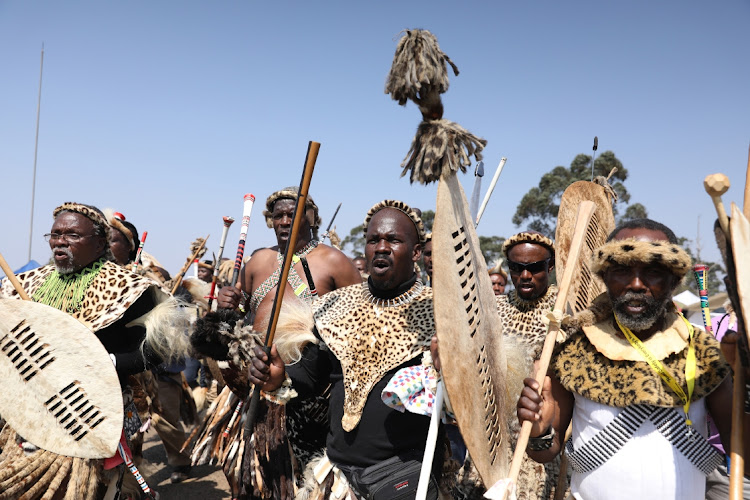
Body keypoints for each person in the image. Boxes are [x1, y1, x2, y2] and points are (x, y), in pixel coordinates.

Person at [516, 218, 746, 500]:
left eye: (652, 272)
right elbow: (544, 453)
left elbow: (742, 449)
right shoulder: (573, 349)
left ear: (673, 280)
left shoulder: (703, 350)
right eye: (623, 270)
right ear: (605, 277)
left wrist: (746, 389)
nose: (636, 284)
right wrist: (538, 432)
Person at [247, 199, 449, 499]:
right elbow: (312, 374)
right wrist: (280, 378)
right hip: (339, 473)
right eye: (373, 240)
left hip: (405, 475)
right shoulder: (336, 306)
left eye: (393, 240)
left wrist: (451, 369)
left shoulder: (441, 314)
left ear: (417, 252)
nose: (381, 248)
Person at [0, 201, 189, 499]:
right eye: (55, 234)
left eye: (72, 235)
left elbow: (155, 349)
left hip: (91, 413)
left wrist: (107, 361)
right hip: (30, 412)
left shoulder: (128, 288)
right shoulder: (26, 285)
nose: (60, 240)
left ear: (100, 242)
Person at [198, 187, 362, 498]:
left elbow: (356, 329)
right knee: (253, 476)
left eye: (294, 214)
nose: (285, 220)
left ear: (311, 218)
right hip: (255, 381)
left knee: (305, 479)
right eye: (278, 215)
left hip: (313, 392)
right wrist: (228, 303)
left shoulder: (335, 262)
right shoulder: (259, 260)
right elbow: (239, 315)